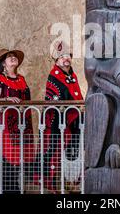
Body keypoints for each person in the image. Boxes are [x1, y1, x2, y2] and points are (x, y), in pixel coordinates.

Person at [0, 49, 37, 194]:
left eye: (14, 56)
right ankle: (8, 189)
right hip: (7, 126)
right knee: (8, 158)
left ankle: (19, 188)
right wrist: (6, 100)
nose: (13, 58)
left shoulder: (22, 79)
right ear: (3, 63)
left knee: (23, 158)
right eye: (9, 57)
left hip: (24, 125)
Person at [44, 40, 83, 192]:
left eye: (68, 56)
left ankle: (71, 182)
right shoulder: (54, 75)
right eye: (62, 56)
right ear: (56, 60)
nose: (66, 58)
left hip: (74, 121)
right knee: (55, 151)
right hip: (58, 121)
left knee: (73, 151)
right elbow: (54, 99)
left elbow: (77, 96)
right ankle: (53, 184)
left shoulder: (72, 75)